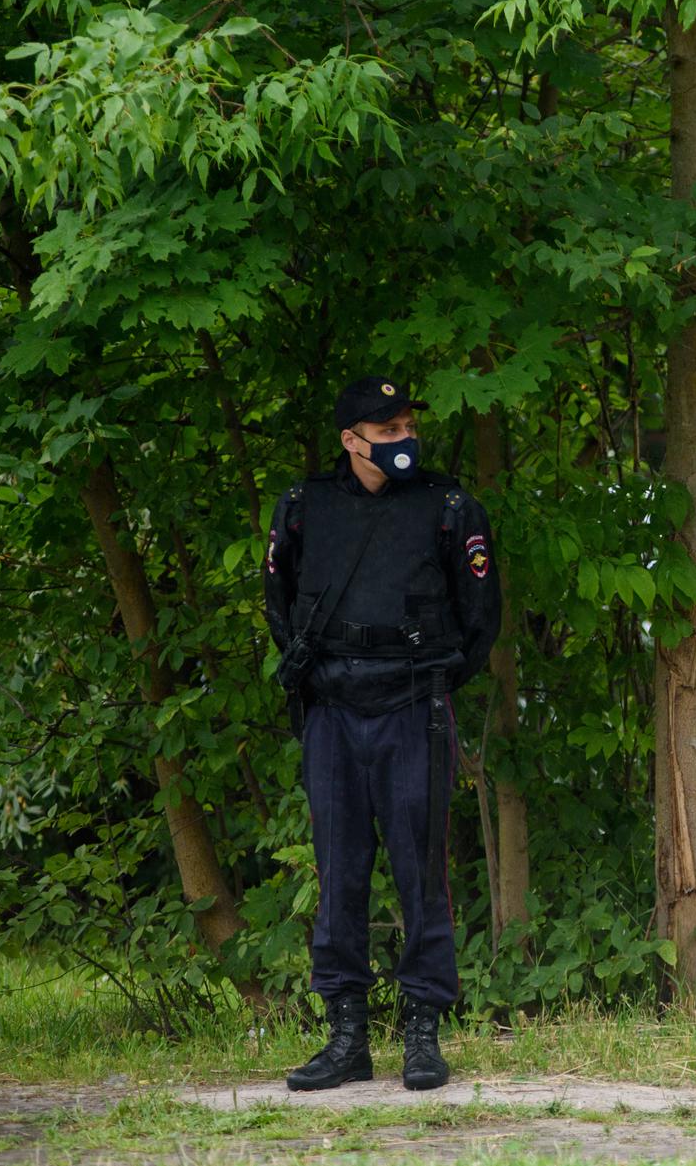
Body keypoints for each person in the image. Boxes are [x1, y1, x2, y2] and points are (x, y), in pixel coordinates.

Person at [262, 375, 501, 1092]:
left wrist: (427, 679)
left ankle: (423, 1031)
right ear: (350, 439)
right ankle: (346, 1036)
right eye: (387, 431)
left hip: (413, 708)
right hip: (333, 711)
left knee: (420, 870)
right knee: (338, 872)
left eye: (406, 429)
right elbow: (279, 603)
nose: (403, 442)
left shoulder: (449, 508)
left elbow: (480, 615)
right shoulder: (305, 509)